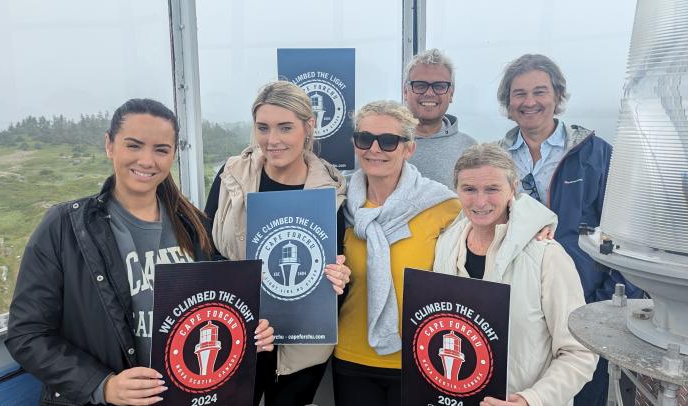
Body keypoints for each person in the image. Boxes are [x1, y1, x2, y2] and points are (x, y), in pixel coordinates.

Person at [5, 99, 275, 405]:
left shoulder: (194, 225)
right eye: (134, 145)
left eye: (161, 149)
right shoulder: (65, 227)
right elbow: (26, 334)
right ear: (109, 145)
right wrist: (103, 386)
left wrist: (250, 328)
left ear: (173, 154)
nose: (147, 161)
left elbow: (215, 309)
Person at [495, 53, 641, 405]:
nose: (529, 102)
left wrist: (600, 309)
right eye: (519, 93)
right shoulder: (495, 159)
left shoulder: (597, 155)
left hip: (583, 312)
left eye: (540, 91)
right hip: (518, 316)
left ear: (558, 96)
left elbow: (629, 240)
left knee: (578, 391)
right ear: (508, 102)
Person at [203, 81, 351, 406]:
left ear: (308, 126)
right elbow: (205, 249)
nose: (273, 140)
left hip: (303, 344)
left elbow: (339, 267)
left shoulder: (332, 192)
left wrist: (339, 279)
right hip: (239, 333)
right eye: (263, 128)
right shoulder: (232, 176)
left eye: (285, 128)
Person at [433, 143, 598, 406]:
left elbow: (579, 352)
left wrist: (530, 400)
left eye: (492, 189)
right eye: (469, 189)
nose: (480, 201)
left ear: (513, 188)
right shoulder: (445, 245)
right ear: (457, 191)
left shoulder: (546, 255)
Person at [333, 100, 461, 406]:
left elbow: (493, 221)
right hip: (351, 357)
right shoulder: (339, 204)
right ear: (355, 144)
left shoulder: (442, 205)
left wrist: (540, 225)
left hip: (421, 358)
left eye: (389, 141)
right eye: (366, 139)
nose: (375, 149)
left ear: (409, 149)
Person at [403, 48, 477, 188]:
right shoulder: (381, 143)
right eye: (420, 85)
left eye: (439, 86)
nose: (429, 93)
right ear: (405, 92)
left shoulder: (470, 149)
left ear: (451, 94)